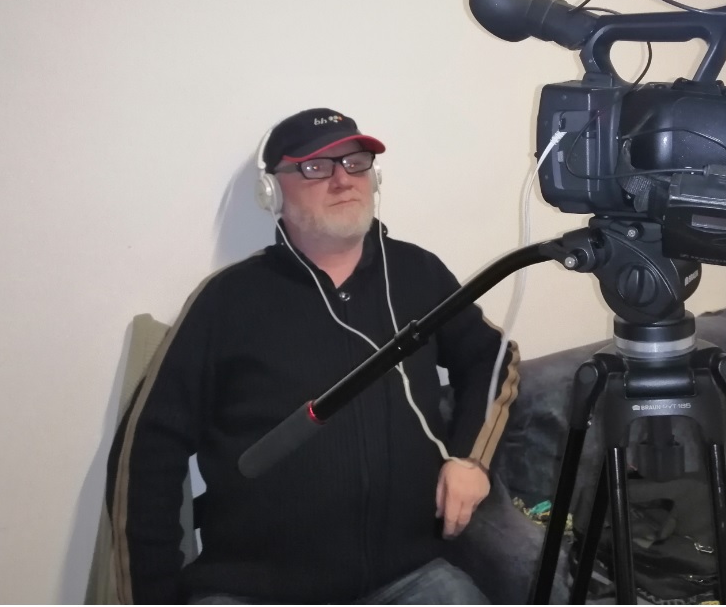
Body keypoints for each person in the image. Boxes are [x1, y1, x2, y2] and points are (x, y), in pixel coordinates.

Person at [107, 108, 521, 604]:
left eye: (356, 161)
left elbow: (492, 358)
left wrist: (471, 460)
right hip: (253, 590)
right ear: (272, 191)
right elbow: (148, 448)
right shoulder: (227, 300)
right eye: (316, 167)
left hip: (409, 577)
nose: (343, 179)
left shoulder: (418, 274)